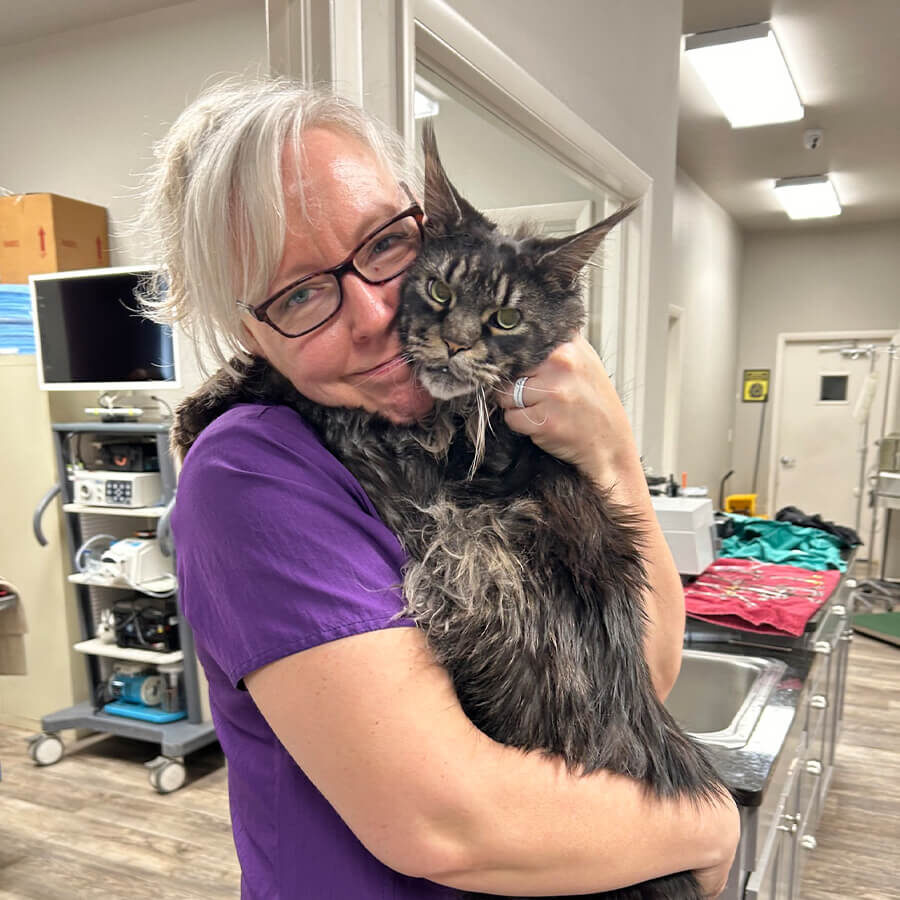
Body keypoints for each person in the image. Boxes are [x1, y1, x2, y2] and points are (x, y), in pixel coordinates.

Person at [139, 78, 739, 899]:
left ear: (423, 221)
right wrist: (704, 822)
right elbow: (447, 823)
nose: (383, 315)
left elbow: (643, 674)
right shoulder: (250, 473)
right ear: (250, 331)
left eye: (384, 244)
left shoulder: (476, 411)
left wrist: (611, 456)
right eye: (302, 293)